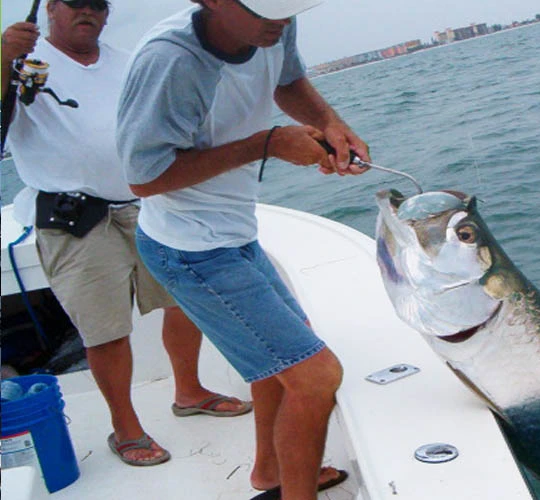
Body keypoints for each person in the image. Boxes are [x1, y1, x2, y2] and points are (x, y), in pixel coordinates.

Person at [116, 0, 369, 497]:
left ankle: (271, 472)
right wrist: (267, 144)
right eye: (263, 6)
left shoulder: (275, 24)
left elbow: (287, 79)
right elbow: (143, 179)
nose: (279, 17)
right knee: (316, 377)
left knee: (289, 355)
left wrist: (330, 122)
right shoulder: (171, 62)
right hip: (188, 247)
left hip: (233, 231)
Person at [1, 0, 251, 468]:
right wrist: (1, 61)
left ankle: (189, 390)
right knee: (106, 329)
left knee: (186, 298)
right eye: (74, 2)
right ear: (51, 8)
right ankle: (126, 428)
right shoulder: (18, 62)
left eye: (97, 4)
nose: (87, 11)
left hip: (147, 204)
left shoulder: (127, 60)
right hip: (73, 219)